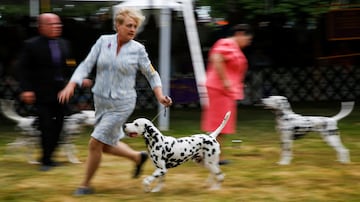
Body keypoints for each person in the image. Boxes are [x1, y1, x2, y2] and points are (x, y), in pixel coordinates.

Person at [58, 8, 172, 195]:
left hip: (122, 104)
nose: (133, 29)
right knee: (107, 146)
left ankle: (85, 185)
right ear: (117, 25)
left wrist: (160, 96)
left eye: (135, 26)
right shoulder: (103, 42)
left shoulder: (138, 50)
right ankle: (137, 157)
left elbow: (152, 74)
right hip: (101, 101)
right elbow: (86, 65)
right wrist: (71, 84)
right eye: (129, 25)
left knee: (95, 143)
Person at [17, 13, 78, 171]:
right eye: (52, 24)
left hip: (61, 93)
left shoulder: (65, 44)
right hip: (41, 93)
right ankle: (45, 160)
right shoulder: (31, 45)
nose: (57, 27)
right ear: (41, 27)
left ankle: (50, 156)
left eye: (58, 24)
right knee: (46, 126)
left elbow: (69, 65)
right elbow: (22, 69)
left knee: (59, 125)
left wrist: (77, 79)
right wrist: (27, 89)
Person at [201, 24, 253, 165]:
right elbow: (217, 58)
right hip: (219, 88)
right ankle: (212, 156)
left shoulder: (234, 47)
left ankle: (214, 155)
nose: (248, 42)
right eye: (248, 39)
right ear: (240, 34)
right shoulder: (226, 43)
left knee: (221, 125)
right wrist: (225, 81)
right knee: (218, 123)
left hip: (225, 90)